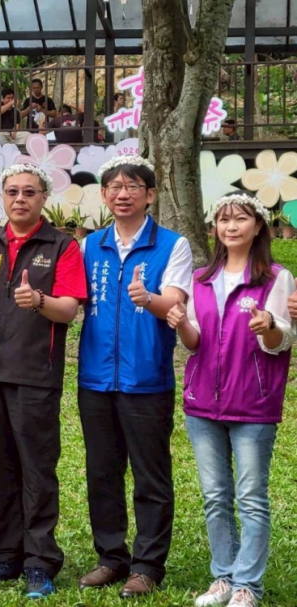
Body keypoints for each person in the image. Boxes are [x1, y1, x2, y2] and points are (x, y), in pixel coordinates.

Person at [0, 164, 87, 599]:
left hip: (34, 376)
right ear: (2, 196)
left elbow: (69, 310)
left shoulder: (62, 246)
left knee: (37, 470)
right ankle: (4, 558)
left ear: (43, 198)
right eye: (12, 191)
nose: (20, 199)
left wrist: (38, 300)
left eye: (29, 192)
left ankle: (39, 561)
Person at [167, 193, 294, 607]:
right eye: (223, 220)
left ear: (258, 226)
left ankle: (247, 586)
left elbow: (282, 342)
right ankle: (222, 577)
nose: (231, 226)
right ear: (215, 228)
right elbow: (194, 343)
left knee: (252, 497)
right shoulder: (200, 279)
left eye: (241, 218)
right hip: (202, 403)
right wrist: (181, 322)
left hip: (253, 406)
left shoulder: (277, 278)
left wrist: (268, 325)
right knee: (214, 496)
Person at [77, 155, 193, 598]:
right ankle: (111, 557)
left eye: (132, 186)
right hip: (95, 378)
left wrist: (151, 298)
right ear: (104, 195)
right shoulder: (91, 246)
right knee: (102, 472)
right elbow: (74, 303)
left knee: (151, 475)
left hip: (147, 378)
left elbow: (177, 306)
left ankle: (147, 565)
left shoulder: (172, 245)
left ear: (150, 193)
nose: (122, 194)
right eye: (114, 187)